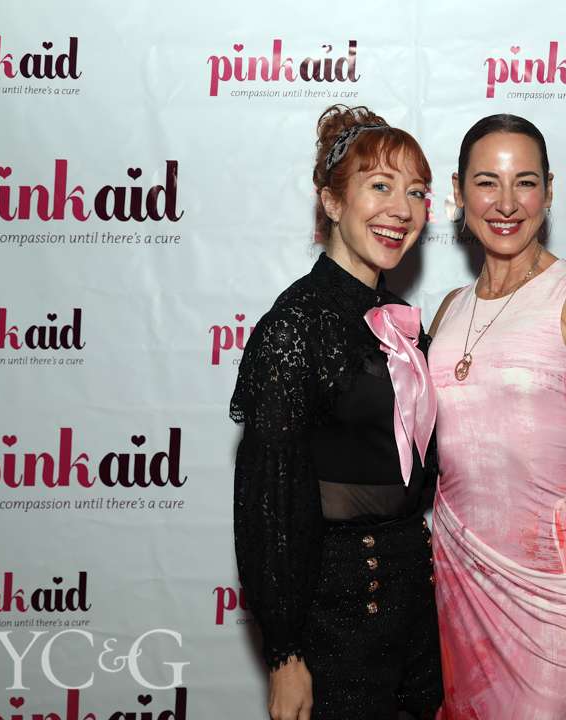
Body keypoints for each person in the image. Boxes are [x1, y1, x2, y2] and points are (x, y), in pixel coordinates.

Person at [231, 105, 442, 720]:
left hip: (415, 601)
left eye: (416, 192)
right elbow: (267, 501)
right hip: (337, 612)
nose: (401, 209)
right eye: (380, 186)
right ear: (331, 201)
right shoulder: (296, 325)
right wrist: (285, 653)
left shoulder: (400, 323)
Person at [428, 114, 566, 720]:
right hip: (460, 580)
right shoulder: (448, 310)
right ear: (458, 192)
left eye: (525, 182)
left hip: (557, 595)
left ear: (549, 191)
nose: (506, 203)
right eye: (486, 182)